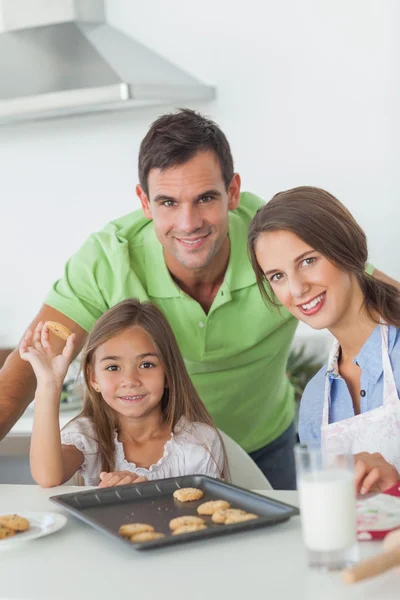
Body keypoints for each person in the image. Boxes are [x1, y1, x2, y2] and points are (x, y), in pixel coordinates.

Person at [0, 110, 398, 490]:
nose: (188, 223)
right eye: (168, 203)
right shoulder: (106, 260)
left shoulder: (274, 241)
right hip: (161, 454)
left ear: (233, 192)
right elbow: (28, 368)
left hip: (267, 444)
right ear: (144, 201)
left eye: (206, 198)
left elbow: (364, 287)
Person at [248, 186, 400, 494]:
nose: (298, 288)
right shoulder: (317, 401)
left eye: (308, 261)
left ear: (344, 247)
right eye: (277, 276)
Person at [19, 299, 227, 487]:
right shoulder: (89, 436)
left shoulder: (199, 444)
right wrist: (48, 385)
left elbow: (206, 517)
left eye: (146, 364)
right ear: (93, 379)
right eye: (113, 368)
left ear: (168, 373)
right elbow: (48, 477)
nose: (130, 380)